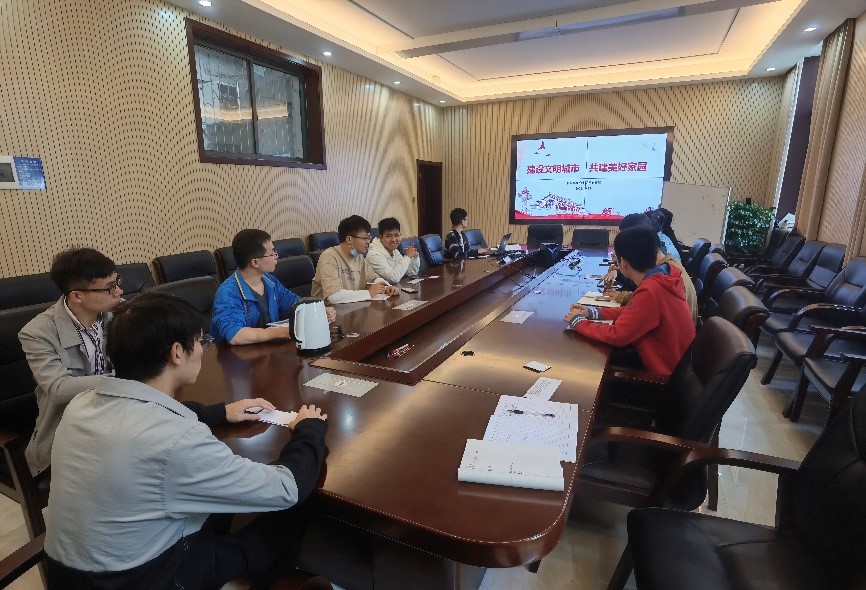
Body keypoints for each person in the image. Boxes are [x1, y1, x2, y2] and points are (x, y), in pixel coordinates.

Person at [43, 292, 329, 589]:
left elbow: (143, 415)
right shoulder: (177, 440)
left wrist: (221, 412)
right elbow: (286, 488)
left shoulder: (81, 403)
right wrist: (309, 428)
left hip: (68, 576)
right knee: (289, 512)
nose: (204, 350)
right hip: (141, 580)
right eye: (201, 341)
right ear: (177, 352)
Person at [19, 248, 124, 477]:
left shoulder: (118, 314)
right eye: (109, 287)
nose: (119, 291)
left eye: (117, 282)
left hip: (117, 415)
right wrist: (123, 378)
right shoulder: (37, 333)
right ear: (77, 296)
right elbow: (59, 389)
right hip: (68, 431)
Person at [564, 227, 695, 376]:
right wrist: (593, 313)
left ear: (624, 263)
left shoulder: (651, 291)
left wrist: (578, 322)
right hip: (676, 367)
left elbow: (617, 336)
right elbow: (633, 311)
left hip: (661, 378)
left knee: (586, 364)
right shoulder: (665, 276)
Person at [212, 229, 335, 345]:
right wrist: (283, 332)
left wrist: (318, 310)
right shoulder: (228, 292)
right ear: (255, 262)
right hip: (239, 357)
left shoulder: (269, 281)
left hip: (268, 350)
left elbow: (294, 304)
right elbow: (235, 336)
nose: (276, 256)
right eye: (272, 253)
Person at [602, 214, 698, 324]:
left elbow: (650, 300)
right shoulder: (666, 263)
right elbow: (652, 298)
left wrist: (622, 296)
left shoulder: (665, 274)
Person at [311, 215, 399, 303]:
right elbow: (333, 296)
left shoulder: (358, 256)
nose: (368, 242)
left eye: (369, 238)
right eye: (365, 238)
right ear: (349, 239)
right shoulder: (329, 256)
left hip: (352, 307)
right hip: (327, 309)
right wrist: (368, 293)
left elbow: (373, 278)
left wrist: (386, 287)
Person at [366, 217, 420, 283]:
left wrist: (414, 258)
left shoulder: (394, 251)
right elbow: (394, 278)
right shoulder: (374, 255)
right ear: (381, 238)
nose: (393, 240)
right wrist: (407, 257)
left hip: (394, 288)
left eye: (396, 235)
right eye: (388, 236)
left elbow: (411, 273)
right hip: (381, 289)